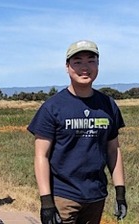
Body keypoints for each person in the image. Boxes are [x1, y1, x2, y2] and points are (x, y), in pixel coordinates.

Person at [27, 40, 127, 224]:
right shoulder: (52, 107)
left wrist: (120, 191)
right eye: (78, 61)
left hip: (96, 196)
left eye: (91, 61)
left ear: (98, 65)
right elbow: (41, 155)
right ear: (67, 67)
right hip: (63, 197)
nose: (85, 67)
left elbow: (114, 150)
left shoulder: (108, 105)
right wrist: (46, 201)